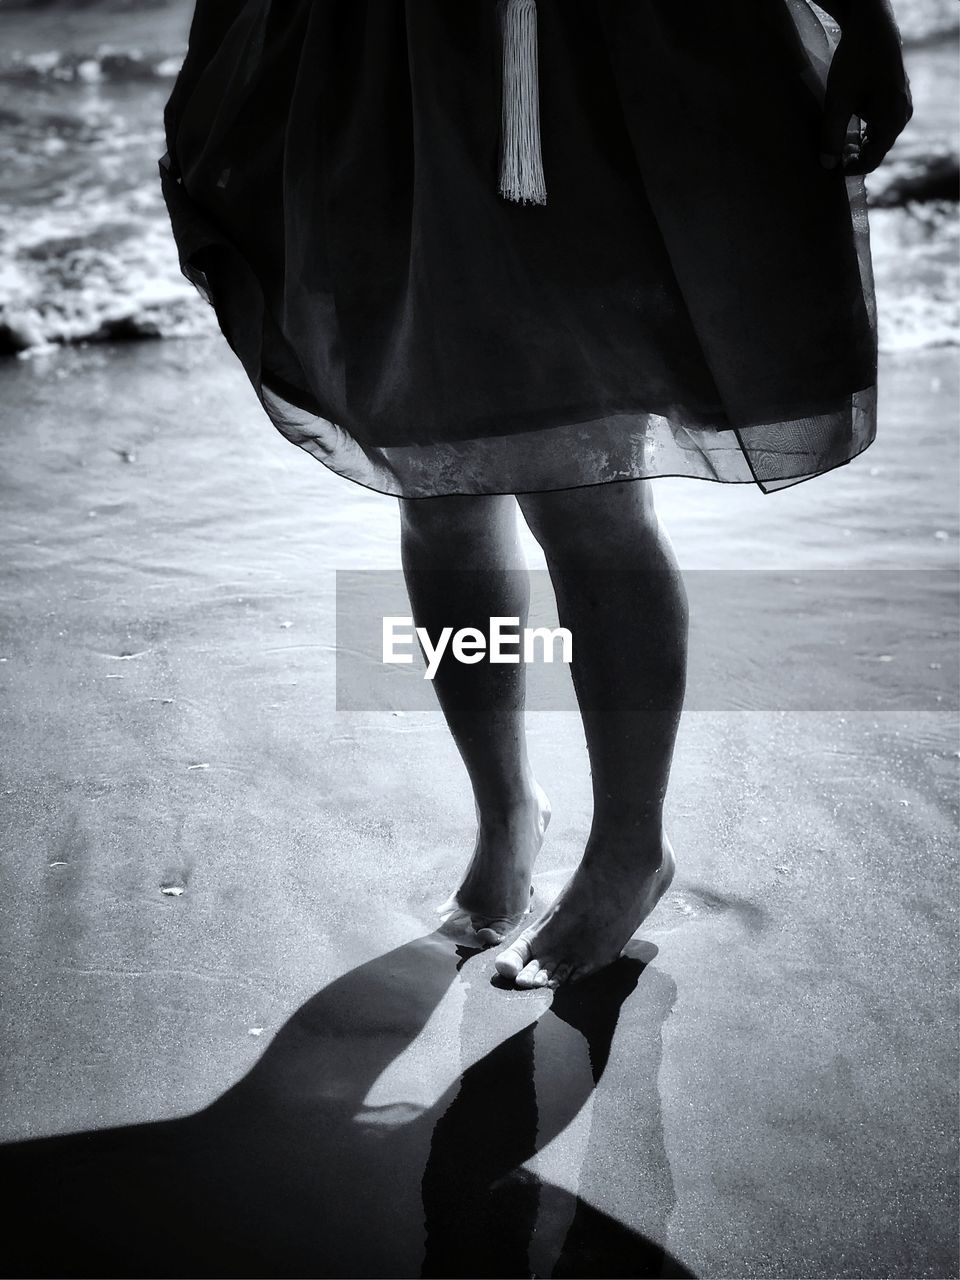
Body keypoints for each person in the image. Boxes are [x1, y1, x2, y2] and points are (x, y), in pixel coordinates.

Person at [159, 0, 912, 989]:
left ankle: (628, 849)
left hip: (573, 58)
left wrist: (865, 14)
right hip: (370, 63)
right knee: (435, 482)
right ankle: (507, 807)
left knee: (582, 477)